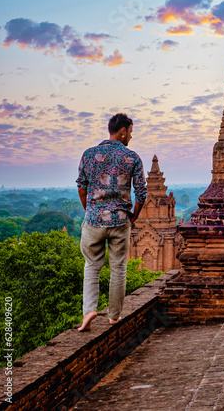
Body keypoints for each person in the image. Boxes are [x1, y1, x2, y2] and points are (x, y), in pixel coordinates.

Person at [76, 113, 147, 331]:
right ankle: (114, 316)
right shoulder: (132, 158)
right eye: (131, 132)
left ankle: (89, 311)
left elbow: (81, 187)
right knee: (118, 268)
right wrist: (133, 216)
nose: (131, 137)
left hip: (94, 221)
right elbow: (141, 194)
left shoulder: (89, 154)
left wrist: (90, 211)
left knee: (92, 265)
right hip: (120, 221)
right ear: (123, 131)